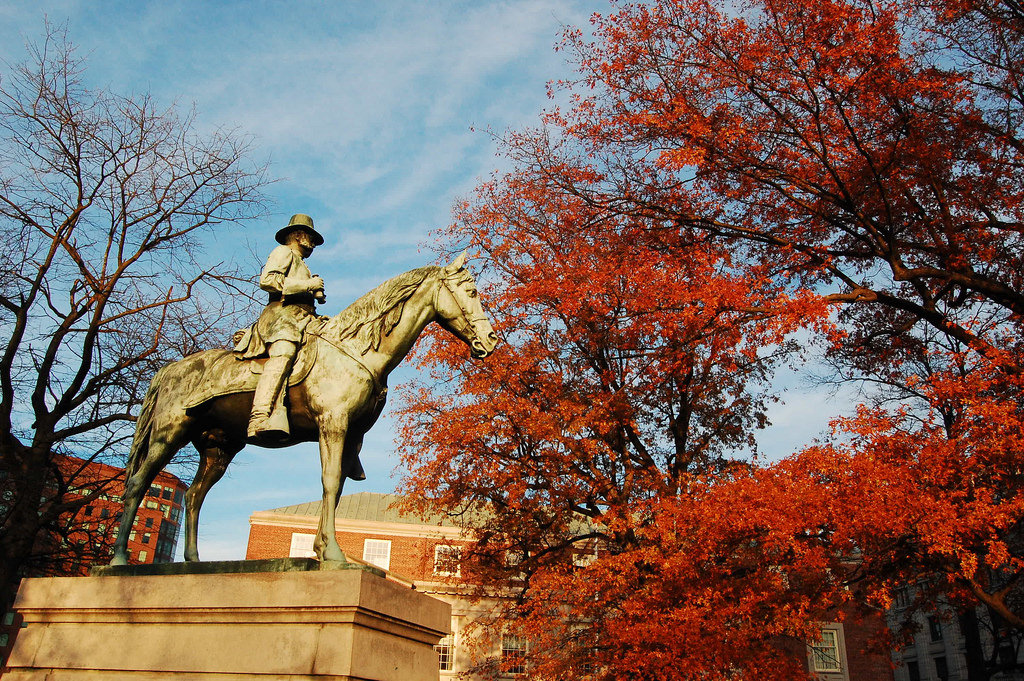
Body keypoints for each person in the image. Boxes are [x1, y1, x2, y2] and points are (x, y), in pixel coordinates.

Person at [234, 214, 326, 441]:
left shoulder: (303, 264)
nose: (312, 243)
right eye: (310, 237)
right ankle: (259, 416)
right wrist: (308, 285)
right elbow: (267, 280)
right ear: (297, 235)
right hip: (281, 316)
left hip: (304, 317)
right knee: (284, 352)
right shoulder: (283, 252)